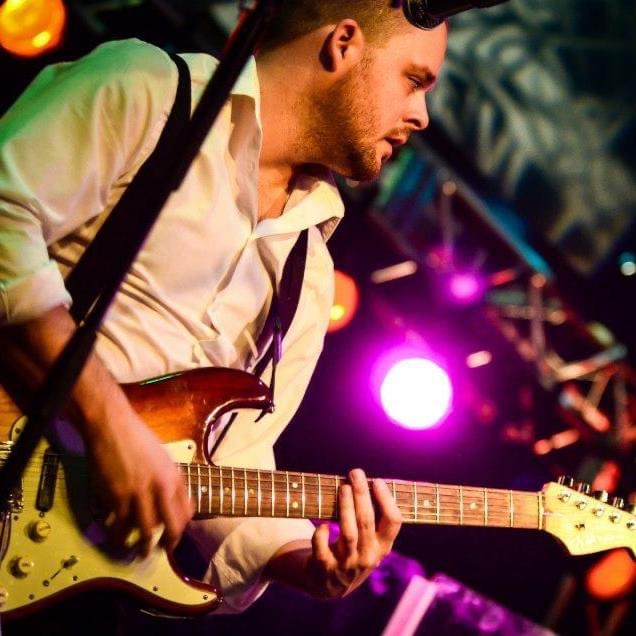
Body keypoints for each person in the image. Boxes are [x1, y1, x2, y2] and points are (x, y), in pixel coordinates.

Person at [0, 0, 447, 615]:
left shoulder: (311, 272)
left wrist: (306, 563)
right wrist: (107, 423)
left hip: (56, 584)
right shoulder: (149, 91)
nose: (422, 115)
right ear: (343, 44)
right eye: (414, 80)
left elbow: (232, 457)